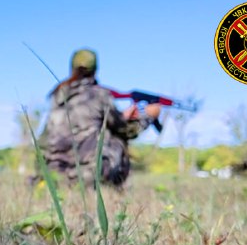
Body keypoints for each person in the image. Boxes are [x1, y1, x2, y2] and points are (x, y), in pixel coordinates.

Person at [35, 48, 162, 188]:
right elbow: (127, 131)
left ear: (72, 68)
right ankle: (112, 188)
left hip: (52, 173)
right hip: (86, 176)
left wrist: (122, 116)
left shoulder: (58, 94)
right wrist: (148, 116)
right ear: (95, 70)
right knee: (117, 138)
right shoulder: (100, 95)